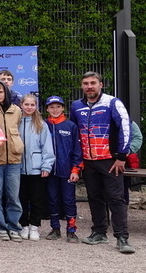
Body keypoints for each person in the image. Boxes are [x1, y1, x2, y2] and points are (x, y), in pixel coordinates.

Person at [69, 71, 134, 254]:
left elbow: (125, 127)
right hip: (89, 161)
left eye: (93, 83)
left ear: (101, 85)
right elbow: (75, 133)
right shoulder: (76, 106)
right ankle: (99, 232)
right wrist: (77, 161)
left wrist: (121, 156)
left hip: (110, 160)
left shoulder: (112, 102)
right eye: (86, 83)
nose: (89, 86)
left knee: (115, 198)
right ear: (82, 86)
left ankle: (122, 237)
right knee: (94, 197)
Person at [0, 81, 24, 242]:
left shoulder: (17, 110)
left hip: (14, 158)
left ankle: (14, 226)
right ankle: (0, 227)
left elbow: (19, 129)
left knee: (13, 195)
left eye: (1, 92)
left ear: (6, 92)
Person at [44, 95, 82, 242]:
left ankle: (71, 230)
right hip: (49, 171)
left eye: (58, 107)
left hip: (67, 171)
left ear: (63, 108)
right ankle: (55, 229)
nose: (55, 110)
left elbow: (77, 150)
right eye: (52, 107)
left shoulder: (71, 126)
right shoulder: (43, 125)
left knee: (69, 200)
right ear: (47, 109)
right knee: (52, 199)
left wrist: (76, 170)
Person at [18, 94, 55, 241]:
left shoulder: (41, 124)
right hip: (18, 167)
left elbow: (47, 147)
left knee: (37, 199)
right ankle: (24, 225)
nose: (29, 107)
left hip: (36, 168)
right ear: (21, 105)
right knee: (21, 198)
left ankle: (34, 226)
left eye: (32, 105)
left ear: (36, 106)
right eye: (26, 104)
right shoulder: (16, 122)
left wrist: (46, 166)